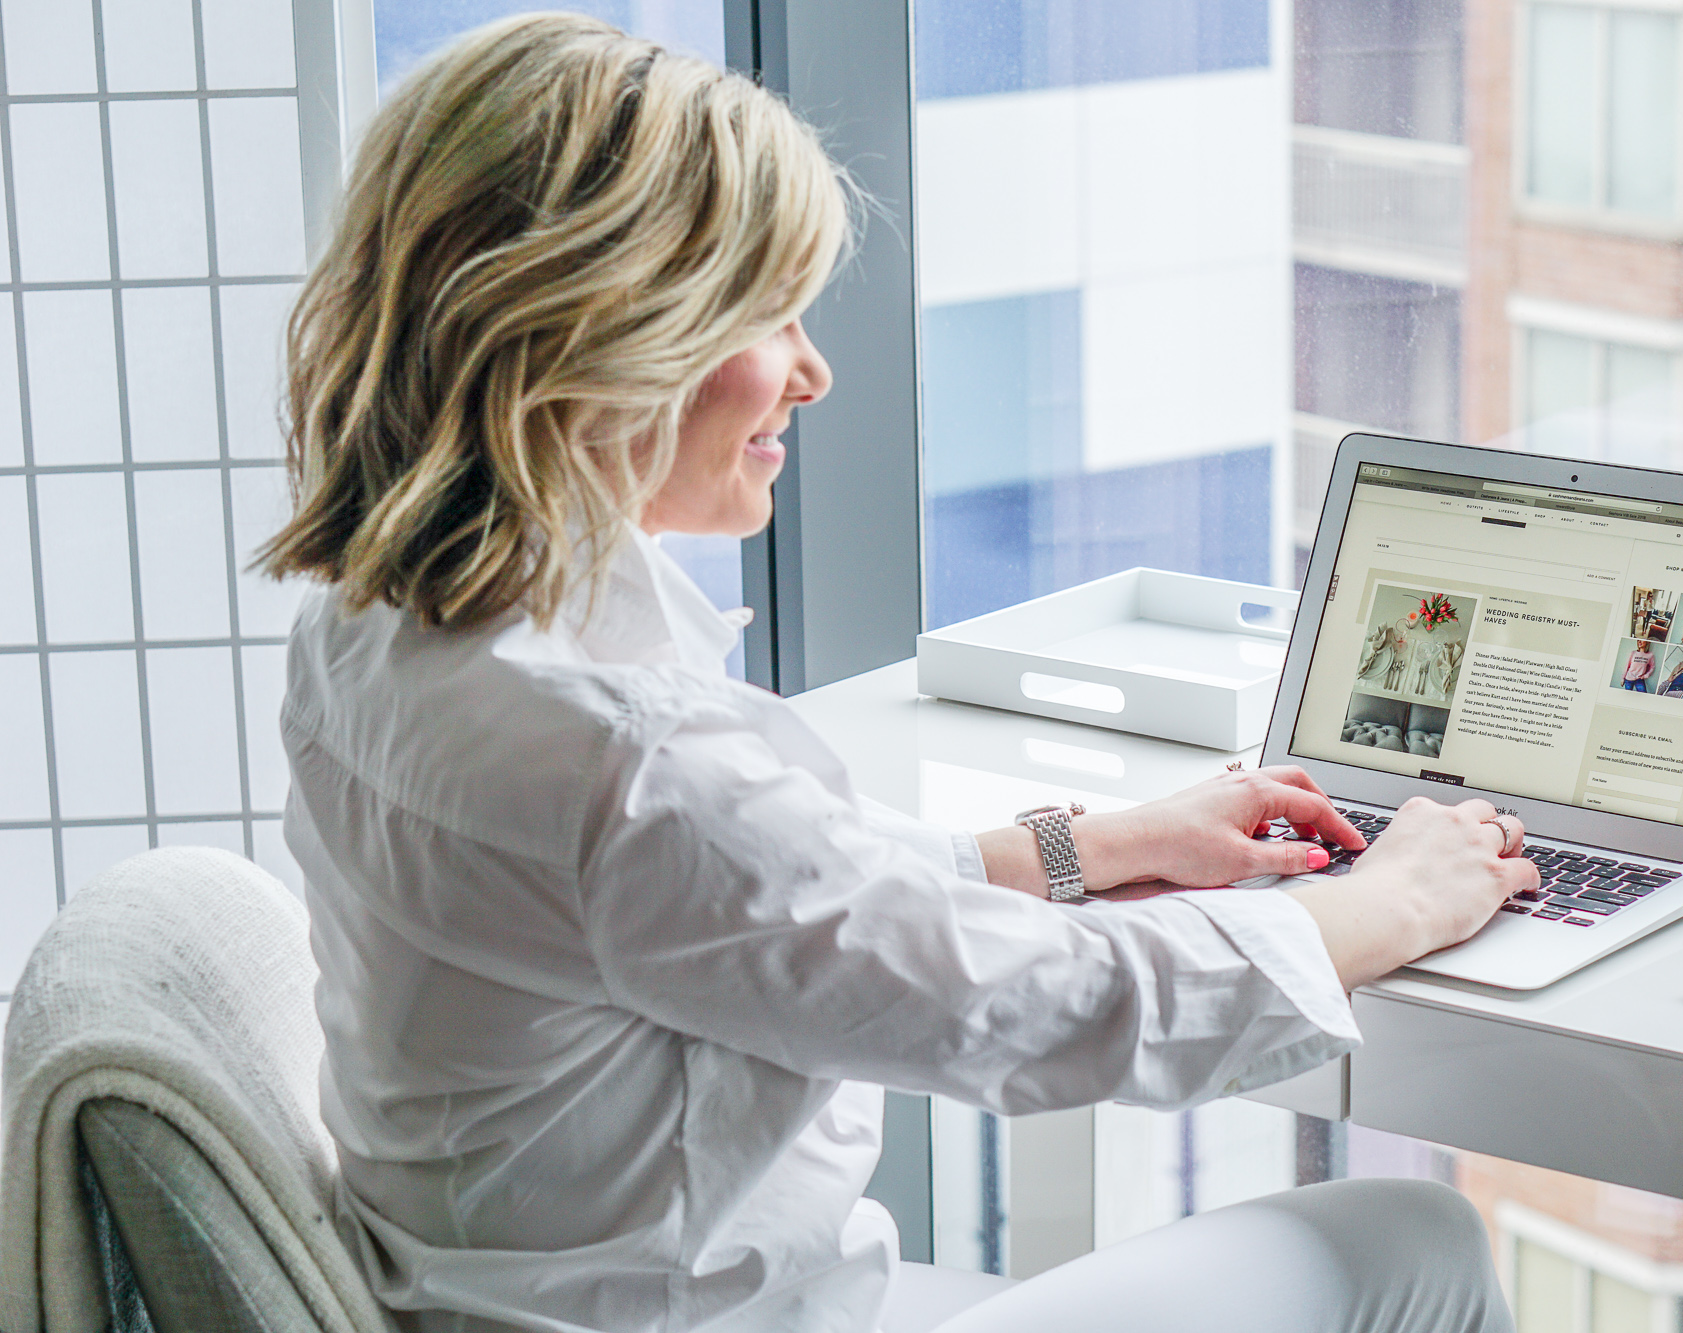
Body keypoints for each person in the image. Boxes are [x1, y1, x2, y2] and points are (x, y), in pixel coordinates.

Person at [259, 16, 1532, 1333]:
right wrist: (1393, 900)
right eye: (765, 315)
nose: (811, 373)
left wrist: (1087, 846)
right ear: (597, 338)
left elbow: (760, 902)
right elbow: (1059, 1011)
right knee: (1412, 1237)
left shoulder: (372, 629)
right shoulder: (626, 761)